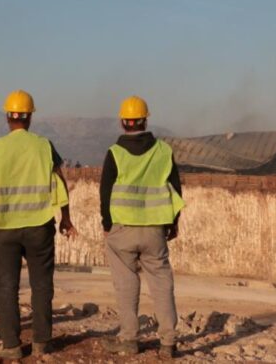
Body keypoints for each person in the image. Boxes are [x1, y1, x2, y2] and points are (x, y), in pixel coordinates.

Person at [0, 89, 77, 359]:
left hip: (4, 228)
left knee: (6, 286)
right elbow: (59, 183)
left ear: (8, 117)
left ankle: (11, 346)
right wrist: (65, 218)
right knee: (42, 285)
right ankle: (42, 343)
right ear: (30, 117)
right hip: (39, 226)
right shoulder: (44, 146)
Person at [99, 95, 185, 359]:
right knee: (161, 283)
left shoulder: (115, 154)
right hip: (155, 229)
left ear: (123, 122)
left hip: (122, 229)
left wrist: (107, 224)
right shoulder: (163, 151)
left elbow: (105, 192)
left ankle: (129, 338)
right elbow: (175, 190)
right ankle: (168, 343)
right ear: (145, 120)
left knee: (126, 283)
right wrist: (173, 223)